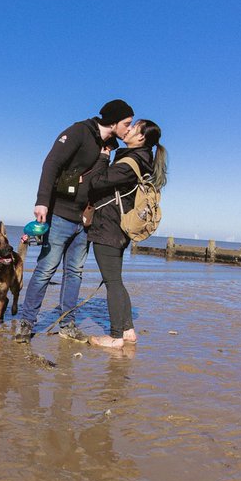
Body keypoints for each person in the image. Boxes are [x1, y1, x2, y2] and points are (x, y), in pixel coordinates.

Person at [13, 99, 135, 343]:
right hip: (60, 214)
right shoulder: (79, 131)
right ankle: (26, 323)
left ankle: (67, 325)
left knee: (74, 274)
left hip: (85, 221)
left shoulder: (109, 145)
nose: (129, 128)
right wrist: (42, 201)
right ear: (113, 122)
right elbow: (51, 163)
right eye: (127, 123)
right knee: (45, 270)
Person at [78, 119, 168, 349]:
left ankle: (115, 337)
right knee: (116, 280)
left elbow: (96, 182)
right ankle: (128, 331)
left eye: (134, 127)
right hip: (119, 228)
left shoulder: (130, 162)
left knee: (113, 282)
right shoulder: (141, 159)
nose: (128, 130)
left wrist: (103, 157)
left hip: (109, 227)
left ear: (141, 137)